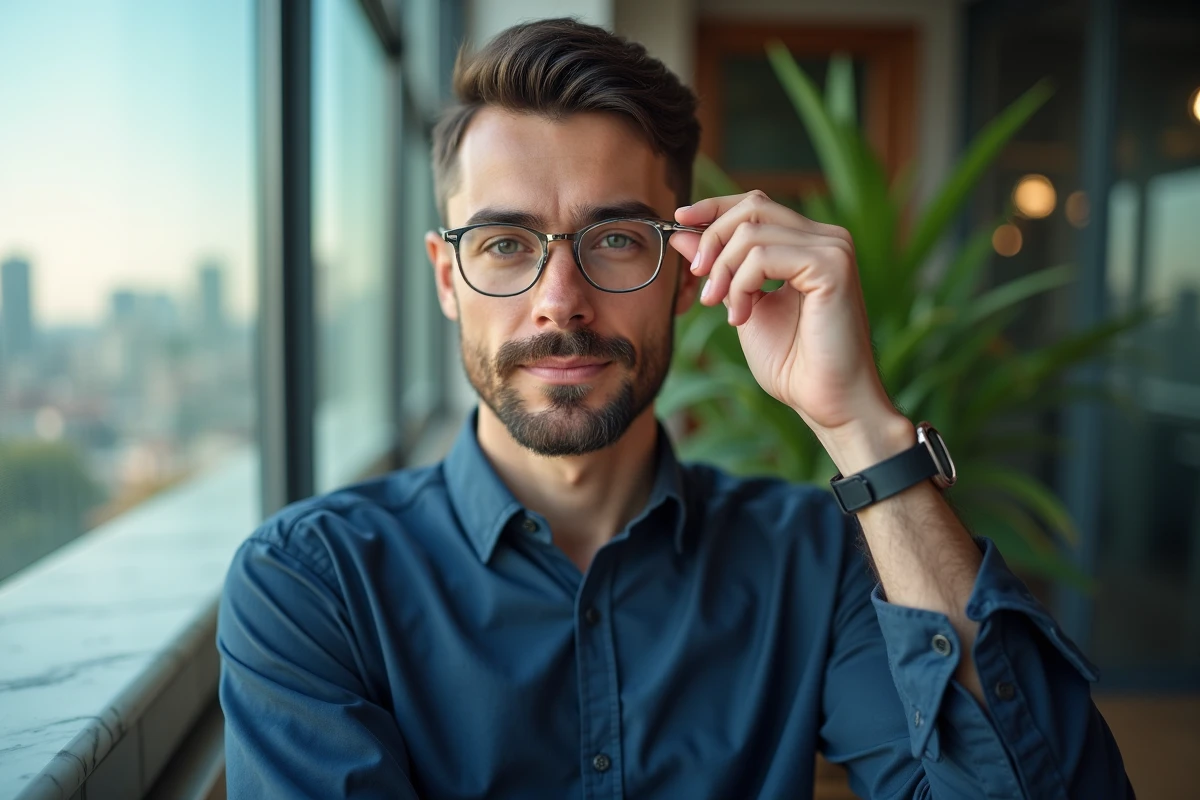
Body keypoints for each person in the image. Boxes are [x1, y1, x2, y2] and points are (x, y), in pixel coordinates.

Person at [217, 18, 1132, 799]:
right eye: (505, 243)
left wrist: (856, 423)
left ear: (691, 270)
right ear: (446, 275)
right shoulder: (313, 584)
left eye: (615, 239)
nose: (560, 300)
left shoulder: (812, 562)